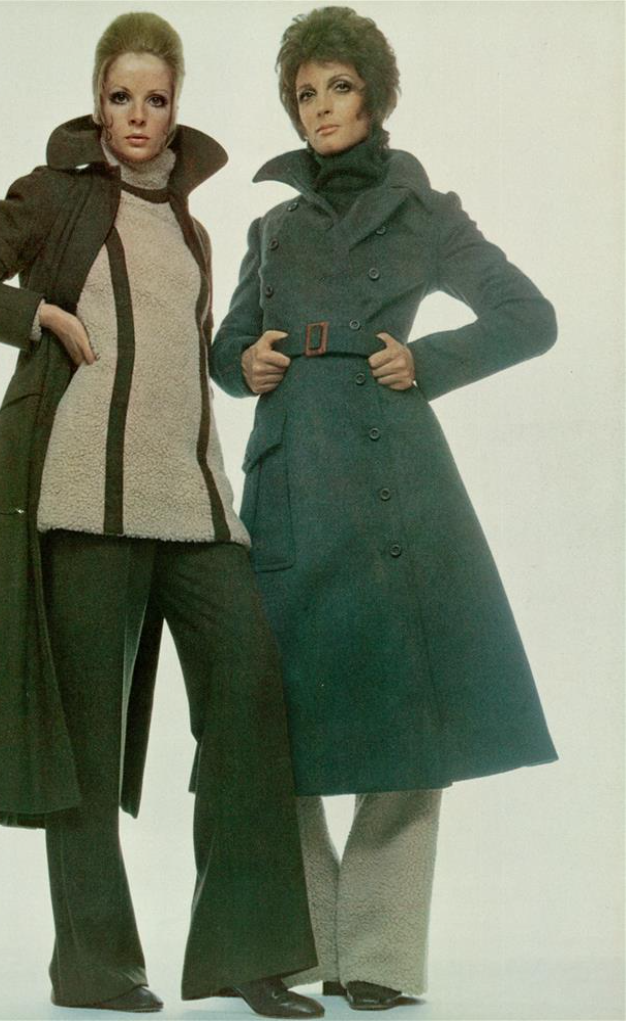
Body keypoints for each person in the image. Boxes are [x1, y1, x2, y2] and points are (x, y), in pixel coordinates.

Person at [0, 12, 324, 1019]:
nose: (137, 115)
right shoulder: (54, 198)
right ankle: (93, 967)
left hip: (194, 509)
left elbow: (183, 374)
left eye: (155, 99)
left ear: (176, 108)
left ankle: (248, 956)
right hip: (86, 505)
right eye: (120, 97)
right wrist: (34, 313)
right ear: (97, 101)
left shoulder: (192, 229)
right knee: (86, 750)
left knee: (251, 703)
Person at [211, 5, 558, 1012]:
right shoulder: (271, 226)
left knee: (405, 721)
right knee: (274, 720)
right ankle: (298, 944)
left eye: (339, 87)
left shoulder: (424, 210)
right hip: (290, 475)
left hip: (392, 475)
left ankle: (378, 956)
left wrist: (430, 361)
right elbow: (224, 348)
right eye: (304, 93)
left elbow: (527, 315)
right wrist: (245, 360)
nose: (319, 108)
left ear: (374, 96)